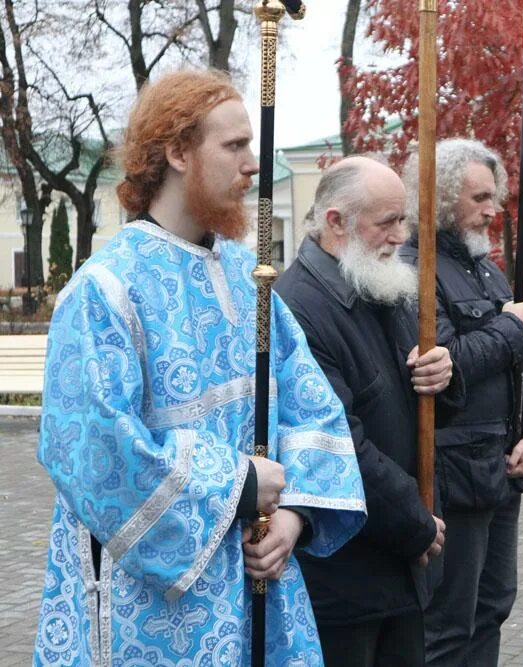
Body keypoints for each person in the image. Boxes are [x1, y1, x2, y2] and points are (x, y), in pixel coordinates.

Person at [33, 69, 366, 666]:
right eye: (235, 146)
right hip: (149, 598)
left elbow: (309, 403)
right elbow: (91, 452)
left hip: (256, 569)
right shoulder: (106, 289)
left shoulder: (249, 278)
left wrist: (293, 516)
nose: (253, 165)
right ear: (178, 152)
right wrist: (237, 484)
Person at [274, 155, 458, 666]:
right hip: (349, 575)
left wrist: (445, 376)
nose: (401, 236)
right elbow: (340, 444)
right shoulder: (299, 307)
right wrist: (415, 524)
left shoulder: (379, 285)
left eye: (403, 220)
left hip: (399, 565)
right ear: (336, 222)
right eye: (388, 222)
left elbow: (420, 406)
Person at [398, 138, 523, 666]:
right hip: (453, 476)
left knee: (494, 606)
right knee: (448, 622)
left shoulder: (488, 269)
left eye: (496, 196)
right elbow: (446, 365)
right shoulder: (415, 269)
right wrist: (511, 325)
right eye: (480, 197)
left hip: (502, 470)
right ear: (440, 199)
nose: (494, 209)